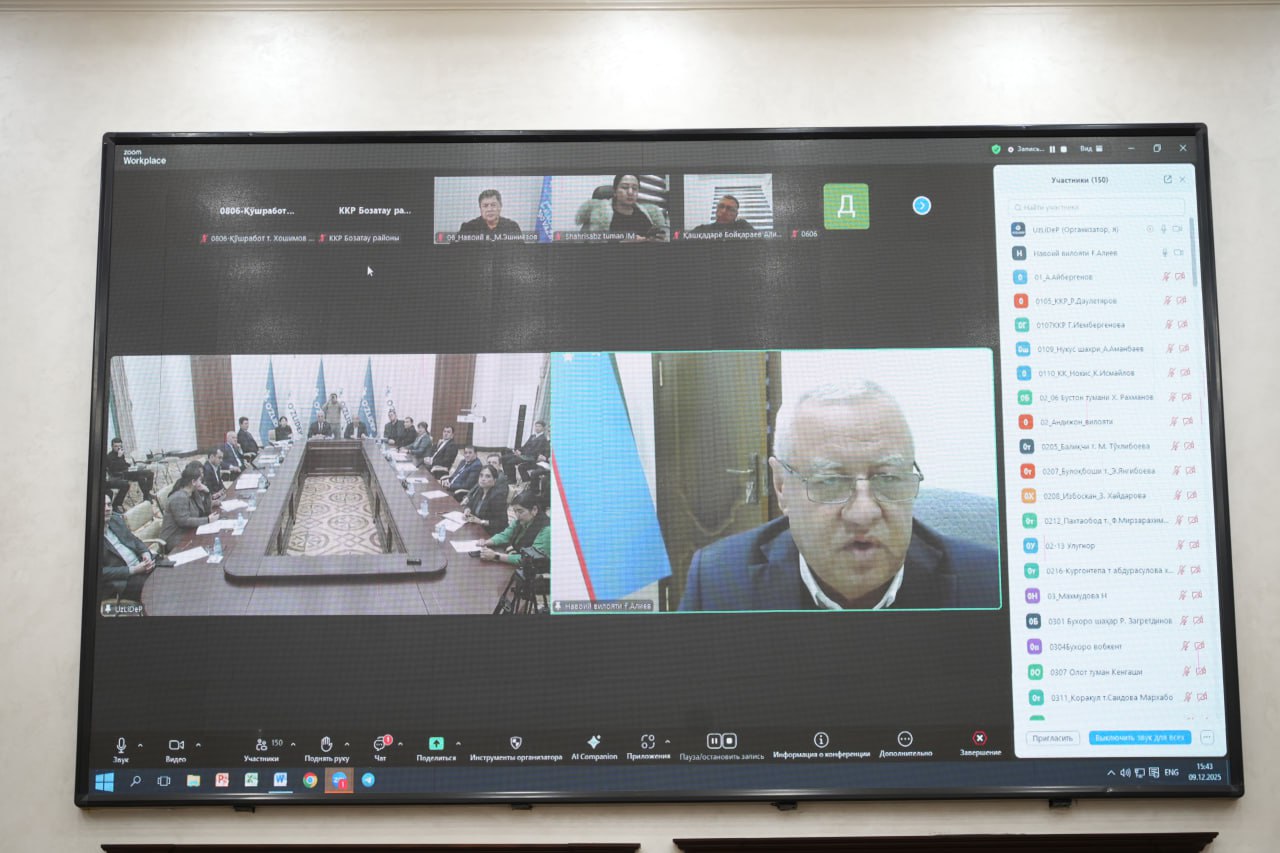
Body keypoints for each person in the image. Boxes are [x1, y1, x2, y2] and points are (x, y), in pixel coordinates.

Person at [679, 380, 998, 612]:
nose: (863, 513)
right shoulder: (719, 580)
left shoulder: (987, 582)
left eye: (888, 478)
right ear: (782, 486)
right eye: (830, 481)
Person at [576, 173, 669, 241]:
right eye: (625, 187)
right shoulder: (601, 217)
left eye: (635, 188)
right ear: (615, 191)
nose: (630, 192)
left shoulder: (645, 215)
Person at [99, 495, 155, 604]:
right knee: (154, 586)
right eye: (103, 505)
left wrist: (145, 553)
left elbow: (134, 539)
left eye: (109, 505)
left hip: (140, 565)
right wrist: (133, 570)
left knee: (165, 569)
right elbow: (101, 572)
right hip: (122, 580)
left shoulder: (115, 520)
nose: (107, 508)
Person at [158, 461, 221, 552]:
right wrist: (207, 520)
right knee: (206, 545)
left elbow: (205, 511)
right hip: (174, 538)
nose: (201, 482)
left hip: (189, 531)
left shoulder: (193, 492)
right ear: (193, 482)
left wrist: (207, 493)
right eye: (200, 480)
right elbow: (184, 521)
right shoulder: (179, 497)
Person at [479, 491, 550, 565]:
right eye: (515, 511)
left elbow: (531, 558)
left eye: (520, 511)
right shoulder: (520, 521)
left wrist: (496, 556)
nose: (517, 515)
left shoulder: (546, 530)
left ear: (534, 510)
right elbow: (505, 535)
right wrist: (485, 542)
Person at [104, 437, 155, 510]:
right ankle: (146, 496)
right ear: (112, 446)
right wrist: (119, 457)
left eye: (120, 446)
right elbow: (113, 469)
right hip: (119, 475)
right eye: (116, 446)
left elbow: (123, 463)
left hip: (127, 471)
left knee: (150, 473)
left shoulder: (121, 453)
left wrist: (131, 466)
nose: (118, 448)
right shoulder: (109, 456)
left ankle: (147, 494)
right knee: (141, 475)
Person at [461, 465, 510, 534]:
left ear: (495, 480)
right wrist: (467, 509)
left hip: (489, 533)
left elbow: (502, 523)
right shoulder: (480, 490)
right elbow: (469, 504)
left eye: (488, 476)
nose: (483, 479)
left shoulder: (497, 497)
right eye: (481, 475)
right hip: (475, 528)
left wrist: (481, 521)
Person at [458, 188, 523, 238]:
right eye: (485, 206)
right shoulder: (468, 228)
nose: (489, 209)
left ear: (500, 206)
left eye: (493, 205)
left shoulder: (512, 227)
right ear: (480, 208)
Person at [502, 421, 550, 485]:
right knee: (504, 458)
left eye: (539, 426)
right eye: (536, 426)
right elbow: (525, 446)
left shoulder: (543, 439)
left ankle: (512, 480)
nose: (537, 428)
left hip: (531, 457)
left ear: (543, 428)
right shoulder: (533, 436)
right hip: (524, 455)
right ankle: (507, 476)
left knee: (510, 462)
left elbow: (536, 451)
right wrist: (519, 450)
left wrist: (521, 453)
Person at [691, 194, 756, 234]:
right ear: (716, 210)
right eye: (721, 206)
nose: (724, 211)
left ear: (736, 214)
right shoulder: (702, 230)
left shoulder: (743, 228)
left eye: (729, 208)